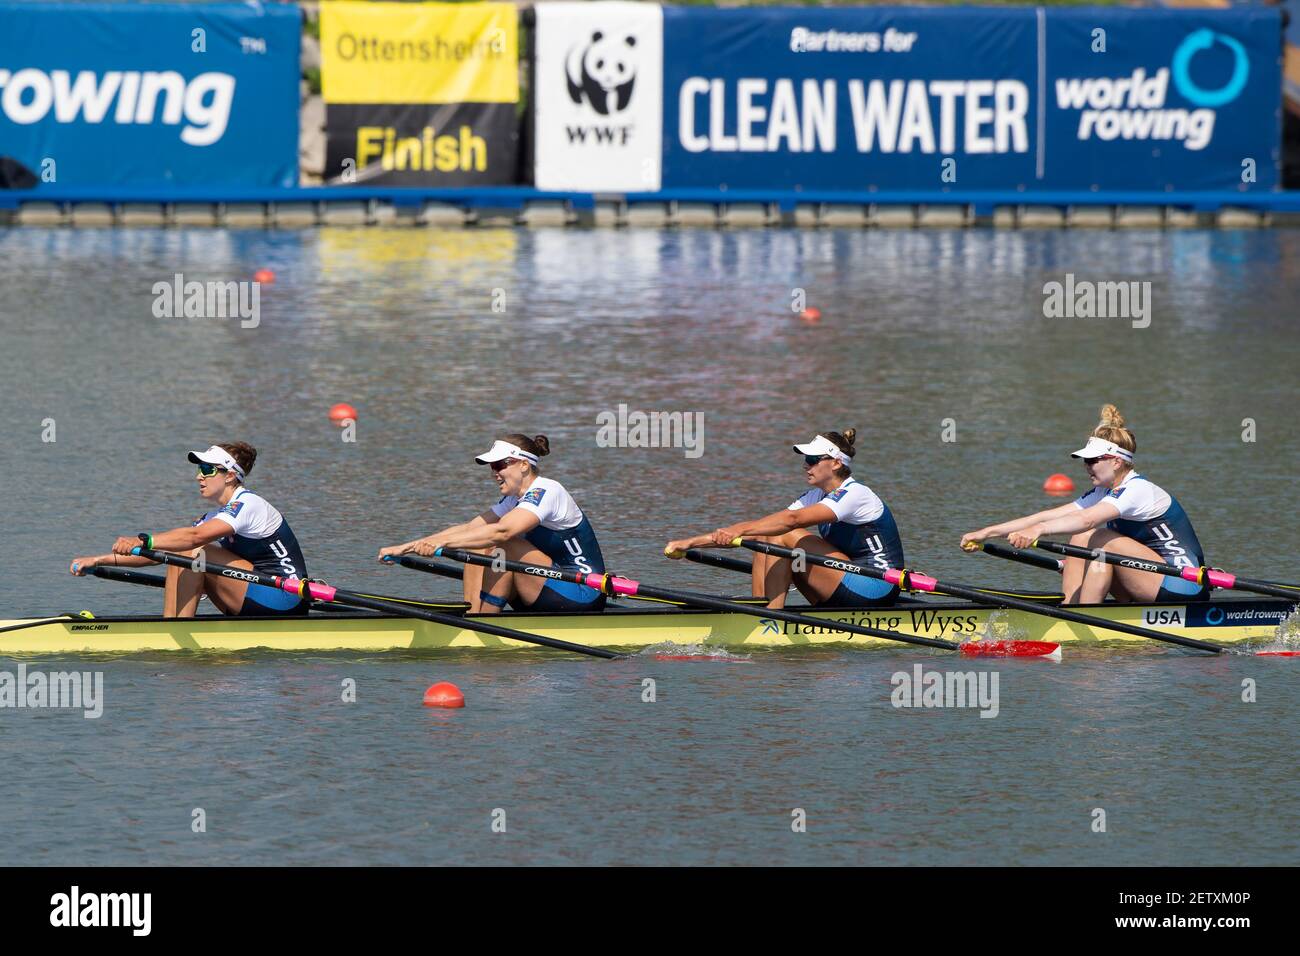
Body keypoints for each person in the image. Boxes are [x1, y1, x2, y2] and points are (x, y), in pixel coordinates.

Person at [960, 405, 1208, 603]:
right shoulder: (1104, 491)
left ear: (1116, 462)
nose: (1087, 467)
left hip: (1183, 586)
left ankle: (1083, 619)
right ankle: (1072, 609)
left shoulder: (1137, 489)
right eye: (1085, 461)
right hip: (1148, 579)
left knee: (1096, 536)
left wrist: (1038, 532)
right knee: (1082, 540)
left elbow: (1086, 520)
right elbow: (1047, 515)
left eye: (1092, 461)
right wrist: (987, 532)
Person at [665, 429, 905, 609]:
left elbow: (790, 521)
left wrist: (737, 528)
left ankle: (770, 619)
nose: (805, 466)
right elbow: (770, 525)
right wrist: (690, 543)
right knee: (765, 534)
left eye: (812, 460)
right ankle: (760, 608)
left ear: (836, 463)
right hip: (844, 582)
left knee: (784, 533)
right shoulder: (816, 496)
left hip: (876, 587)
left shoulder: (855, 494)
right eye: (805, 460)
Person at [70, 443, 310, 617]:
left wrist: (144, 539)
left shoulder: (249, 504)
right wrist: (98, 560)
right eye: (199, 470)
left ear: (230, 476)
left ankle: (176, 628)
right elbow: (160, 556)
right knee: (183, 551)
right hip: (254, 594)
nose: (199, 477)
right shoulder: (215, 517)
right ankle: (173, 624)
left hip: (284, 598)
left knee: (193, 550)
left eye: (207, 469)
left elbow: (194, 538)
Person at [377, 434, 606, 613]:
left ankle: (483, 621)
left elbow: (503, 532)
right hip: (544, 587)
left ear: (524, 465)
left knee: (502, 544)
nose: (494, 473)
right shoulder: (514, 499)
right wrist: (410, 546)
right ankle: (472, 614)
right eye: (492, 467)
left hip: (581, 593)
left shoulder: (547, 490)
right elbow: (470, 529)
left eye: (500, 465)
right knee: (478, 539)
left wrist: (441, 544)